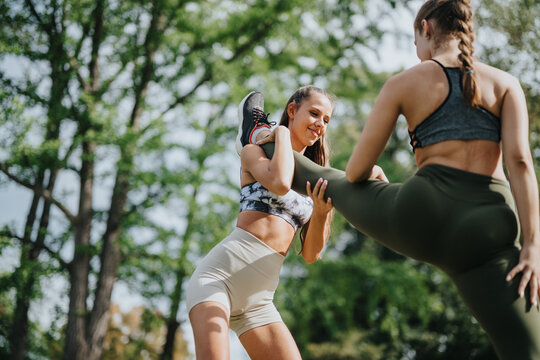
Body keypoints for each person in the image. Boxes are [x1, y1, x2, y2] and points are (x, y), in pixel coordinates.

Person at [255, 1, 540, 359]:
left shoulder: (405, 82)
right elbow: (520, 164)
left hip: (421, 212)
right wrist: (532, 247)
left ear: (426, 29)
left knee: (334, 180)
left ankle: (263, 137)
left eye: (414, 40)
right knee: (526, 350)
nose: (416, 50)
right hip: (488, 231)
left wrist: (378, 184)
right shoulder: (506, 83)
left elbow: (357, 172)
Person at [186, 86, 335, 359]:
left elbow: (312, 255)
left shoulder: (312, 183)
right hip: (217, 280)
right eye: (314, 114)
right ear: (292, 110)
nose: (320, 125)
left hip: (259, 303)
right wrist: (279, 133)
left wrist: (323, 212)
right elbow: (279, 183)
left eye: (326, 120)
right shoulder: (253, 152)